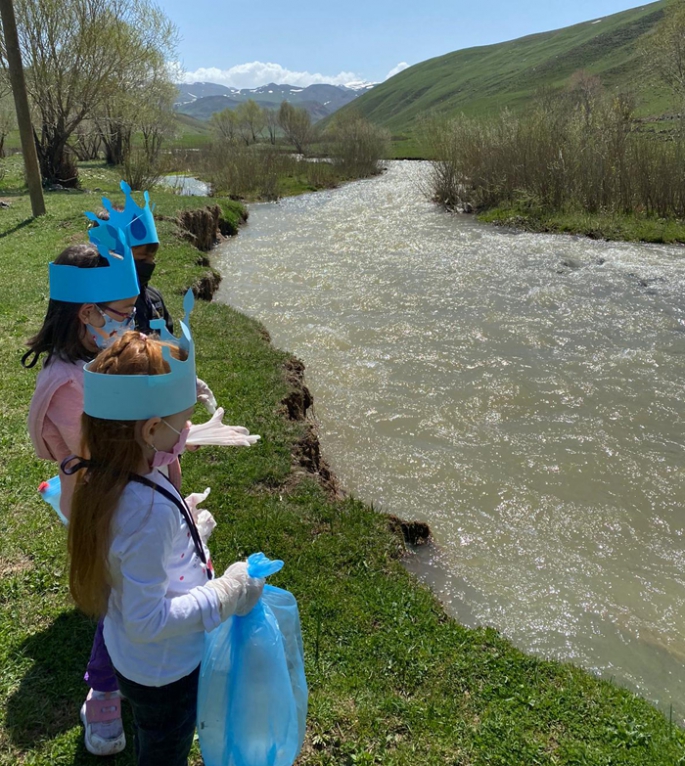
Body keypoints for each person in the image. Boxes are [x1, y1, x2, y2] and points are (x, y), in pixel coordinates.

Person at [65, 327, 264, 766]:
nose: (189, 430)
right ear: (151, 428)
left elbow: (132, 559)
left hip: (133, 660)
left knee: (155, 732)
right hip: (165, 671)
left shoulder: (111, 473)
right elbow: (146, 620)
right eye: (184, 420)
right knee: (164, 747)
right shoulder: (146, 512)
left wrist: (186, 530)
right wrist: (226, 592)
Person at [23, 225, 141, 756]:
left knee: (131, 582)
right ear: (86, 315)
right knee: (118, 597)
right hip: (104, 504)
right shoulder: (71, 384)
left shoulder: (96, 360)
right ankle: (104, 693)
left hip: (129, 493)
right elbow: (104, 450)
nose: (130, 322)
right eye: (120, 312)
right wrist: (168, 432)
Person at [89, 181, 216, 411]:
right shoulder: (92, 314)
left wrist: (183, 380)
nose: (149, 265)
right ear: (109, 258)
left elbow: (168, 353)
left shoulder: (154, 301)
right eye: (139, 259)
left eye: (152, 257)